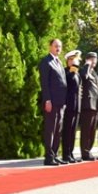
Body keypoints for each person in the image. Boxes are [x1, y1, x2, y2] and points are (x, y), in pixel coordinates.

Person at [38, 38, 67, 166]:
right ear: (50, 46)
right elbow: (45, 83)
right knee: (50, 129)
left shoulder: (59, 62)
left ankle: (55, 154)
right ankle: (48, 157)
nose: (58, 48)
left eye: (60, 46)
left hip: (61, 102)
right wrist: (47, 100)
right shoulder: (46, 62)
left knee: (58, 129)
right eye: (56, 46)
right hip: (52, 101)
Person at [78, 52, 98, 160]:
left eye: (95, 59)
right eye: (92, 59)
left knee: (92, 130)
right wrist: (87, 65)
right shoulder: (84, 70)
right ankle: (84, 152)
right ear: (87, 60)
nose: (94, 61)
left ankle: (89, 150)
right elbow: (84, 77)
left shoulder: (94, 73)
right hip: (87, 104)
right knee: (86, 130)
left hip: (95, 104)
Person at [61, 49, 82, 163]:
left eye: (76, 59)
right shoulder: (66, 72)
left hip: (76, 105)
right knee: (67, 130)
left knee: (73, 131)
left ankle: (71, 153)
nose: (75, 61)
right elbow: (68, 81)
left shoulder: (77, 73)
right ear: (68, 61)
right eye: (73, 59)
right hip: (69, 105)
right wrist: (73, 69)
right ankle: (65, 154)